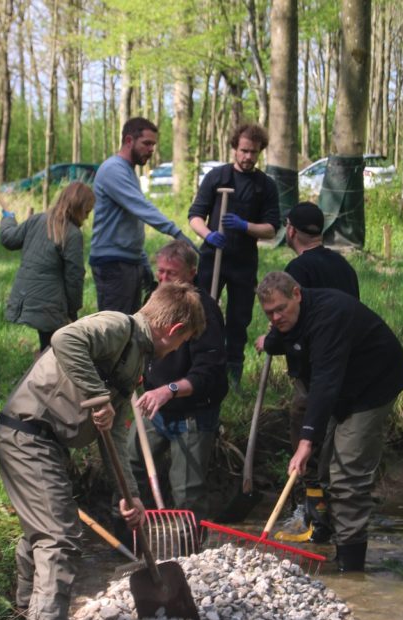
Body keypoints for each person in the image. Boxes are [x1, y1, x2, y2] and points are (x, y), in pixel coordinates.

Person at [0, 281, 205, 620]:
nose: (177, 352)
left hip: (49, 443)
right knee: (59, 536)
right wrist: (98, 395)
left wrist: (131, 496)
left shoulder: (135, 359)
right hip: (26, 433)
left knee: (39, 534)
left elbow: (118, 433)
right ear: (174, 331)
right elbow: (64, 338)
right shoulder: (117, 326)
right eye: (182, 344)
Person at [254, 271, 403, 572]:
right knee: (324, 466)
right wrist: (271, 342)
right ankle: (326, 532)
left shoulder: (329, 316)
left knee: (347, 472)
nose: (275, 317)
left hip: (373, 385)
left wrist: (305, 441)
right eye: (268, 313)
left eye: (280, 309)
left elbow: (326, 382)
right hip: (340, 387)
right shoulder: (287, 319)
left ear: (297, 294)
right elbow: (281, 337)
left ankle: (350, 567)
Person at [277, 202, 360, 544]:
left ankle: (314, 517)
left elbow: (294, 324)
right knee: (335, 440)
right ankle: (335, 516)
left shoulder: (297, 270)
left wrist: (277, 343)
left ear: (291, 230)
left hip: (315, 370)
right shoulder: (343, 265)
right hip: (350, 364)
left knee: (308, 432)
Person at [128, 240, 227, 521]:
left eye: (171, 273)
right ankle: (135, 534)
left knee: (187, 491)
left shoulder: (203, 311)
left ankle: (194, 556)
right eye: (160, 272)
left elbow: (208, 373)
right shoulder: (155, 301)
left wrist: (169, 390)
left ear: (192, 272)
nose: (163, 279)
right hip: (153, 406)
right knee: (131, 465)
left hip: (193, 412)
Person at [188, 123, 280, 387]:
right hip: (212, 258)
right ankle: (199, 367)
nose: (248, 156)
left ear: (260, 151)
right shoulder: (217, 177)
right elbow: (195, 216)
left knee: (239, 319)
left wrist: (245, 225)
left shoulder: (265, 186)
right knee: (203, 312)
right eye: (243, 150)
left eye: (253, 152)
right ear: (234, 148)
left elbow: (271, 229)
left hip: (243, 262)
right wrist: (208, 235)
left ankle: (233, 375)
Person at [90, 117, 197, 315]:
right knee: (115, 328)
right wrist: (176, 232)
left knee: (129, 325)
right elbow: (141, 207)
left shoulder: (128, 171)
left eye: (153, 145)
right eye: (147, 143)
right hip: (113, 264)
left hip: (127, 261)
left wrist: (142, 263)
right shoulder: (113, 169)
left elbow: (132, 223)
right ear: (129, 140)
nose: (151, 150)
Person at [0, 182, 93, 351]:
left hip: (26, 297)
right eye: (87, 212)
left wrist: (8, 218)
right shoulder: (73, 234)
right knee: (57, 351)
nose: (87, 217)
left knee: (49, 346)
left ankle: (41, 373)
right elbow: (75, 277)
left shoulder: (36, 220)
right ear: (79, 208)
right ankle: (40, 376)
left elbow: (8, 238)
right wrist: (72, 311)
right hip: (50, 305)